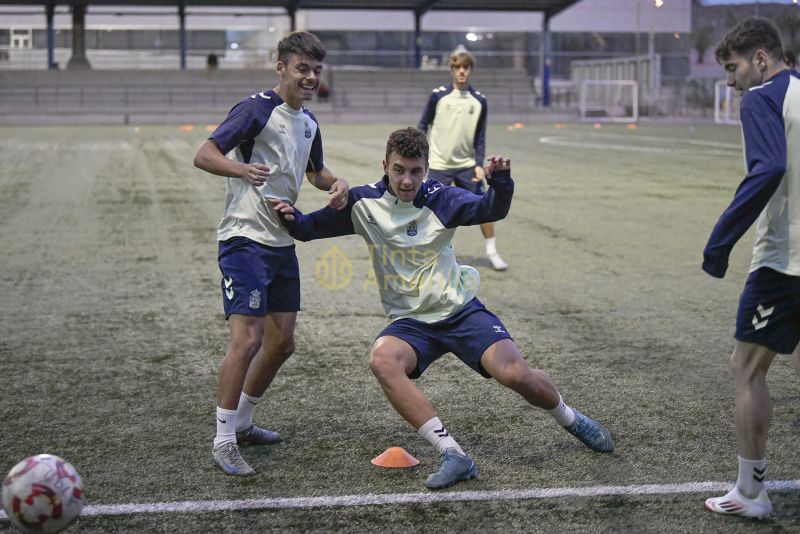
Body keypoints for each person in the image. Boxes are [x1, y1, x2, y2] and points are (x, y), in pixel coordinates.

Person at [269, 127, 614, 489]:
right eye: (399, 170)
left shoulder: (442, 198)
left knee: (516, 375)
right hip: (411, 323)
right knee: (383, 359)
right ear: (385, 165)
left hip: (460, 311)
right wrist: (288, 215)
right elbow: (308, 229)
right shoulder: (361, 203)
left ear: (427, 169)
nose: (407, 180)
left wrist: (501, 184)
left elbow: (488, 208)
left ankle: (571, 418)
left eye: (416, 171)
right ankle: (454, 454)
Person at [193, 31, 348, 476]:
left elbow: (315, 172)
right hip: (244, 239)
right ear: (281, 68)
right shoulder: (255, 109)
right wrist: (241, 169)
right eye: (302, 68)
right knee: (247, 340)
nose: (311, 77)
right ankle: (223, 441)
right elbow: (205, 153)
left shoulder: (309, 123)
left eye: (317, 70)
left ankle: (241, 423)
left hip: (282, 243)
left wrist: (336, 184)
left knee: (282, 344)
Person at [701, 18, 799, 518]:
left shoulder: (762, 98)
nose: (730, 80)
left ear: (761, 59)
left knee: (747, 368)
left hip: (786, 264)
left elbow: (770, 168)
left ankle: (751, 492)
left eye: (733, 67)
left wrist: (720, 243)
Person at [418, 50, 508, 272]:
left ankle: (492, 252)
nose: (461, 71)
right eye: (457, 67)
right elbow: (423, 126)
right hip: (439, 165)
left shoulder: (479, 101)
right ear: (451, 69)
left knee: (484, 206)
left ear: (470, 70)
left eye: (465, 67)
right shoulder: (438, 96)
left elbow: (480, 136)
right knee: (429, 212)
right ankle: (427, 255)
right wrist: (422, 157)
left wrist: (478, 163)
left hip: (467, 166)